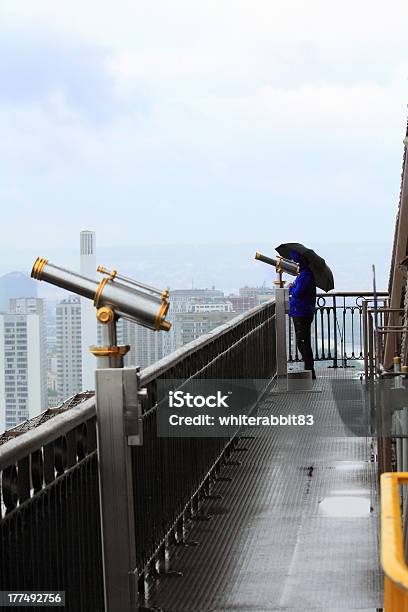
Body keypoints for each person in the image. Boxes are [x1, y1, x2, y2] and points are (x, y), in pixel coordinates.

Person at [288, 250, 317, 379]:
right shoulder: (305, 275)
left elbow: (298, 292)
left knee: (302, 342)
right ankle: (309, 369)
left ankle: (310, 370)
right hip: (302, 311)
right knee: (303, 341)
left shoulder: (305, 275)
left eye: (295, 262)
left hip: (301, 312)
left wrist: (291, 287)